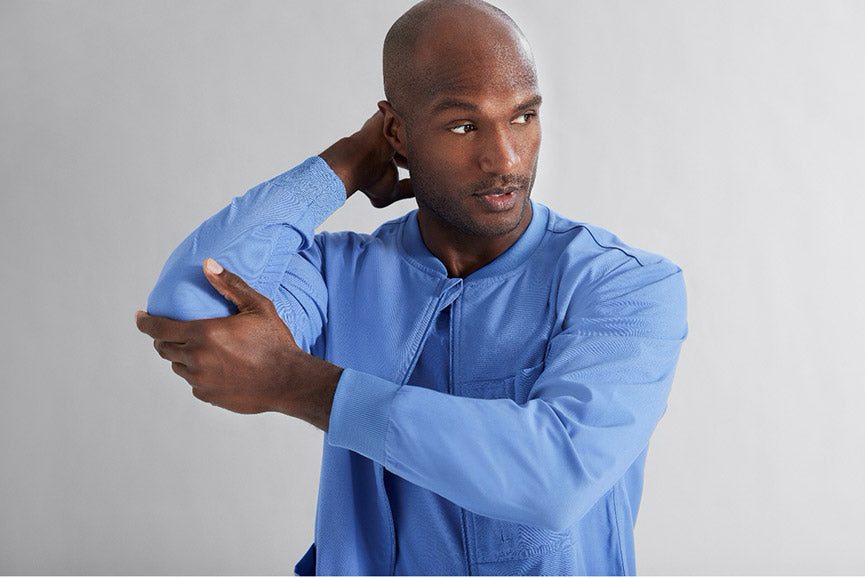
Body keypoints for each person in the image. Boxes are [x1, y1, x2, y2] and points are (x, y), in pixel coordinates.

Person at [135, 0, 687, 574]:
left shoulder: (627, 286)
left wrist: (301, 385)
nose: (504, 158)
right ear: (398, 132)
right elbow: (190, 312)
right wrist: (343, 165)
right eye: (463, 125)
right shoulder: (337, 275)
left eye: (523, 116)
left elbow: (554, 477)